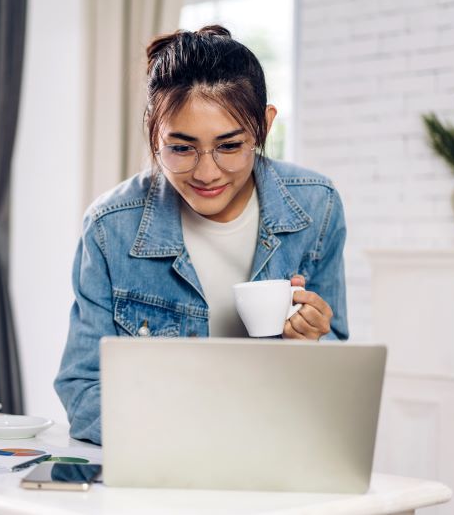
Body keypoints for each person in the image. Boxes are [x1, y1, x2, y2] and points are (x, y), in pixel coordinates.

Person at [54, 25, 348, 445]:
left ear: (264, 128)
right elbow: (82, 390)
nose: (207, 173)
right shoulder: (110, 226)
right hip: (163, 460)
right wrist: (190, 439)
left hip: (277, 449)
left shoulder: (317, 206)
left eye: (229, 146)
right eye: (181, 148)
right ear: (153, 134)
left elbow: (339, 385)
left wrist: (312, 342)